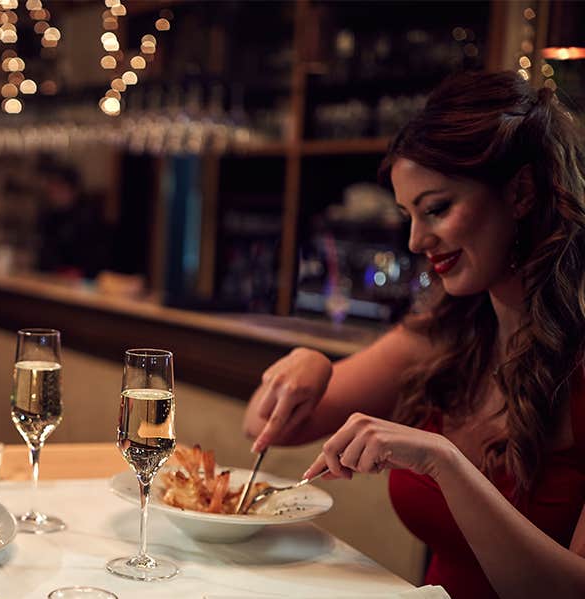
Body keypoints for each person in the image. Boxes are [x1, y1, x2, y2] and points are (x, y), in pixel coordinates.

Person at [243, 71, 585, 599]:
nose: (415, 239)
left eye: (437, 209)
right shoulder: (449, 331)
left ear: (520, 193)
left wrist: (443, 461)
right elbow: (267, 426)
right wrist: (308, 362)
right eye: (408, 214)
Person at [36, 164, 109, 278]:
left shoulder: (87, 217)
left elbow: (95, 260)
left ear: (72, 189)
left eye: (58, 187)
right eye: (51, 188)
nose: (53, 192)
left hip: (80, 284)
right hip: (51, 280)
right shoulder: (50, 216)